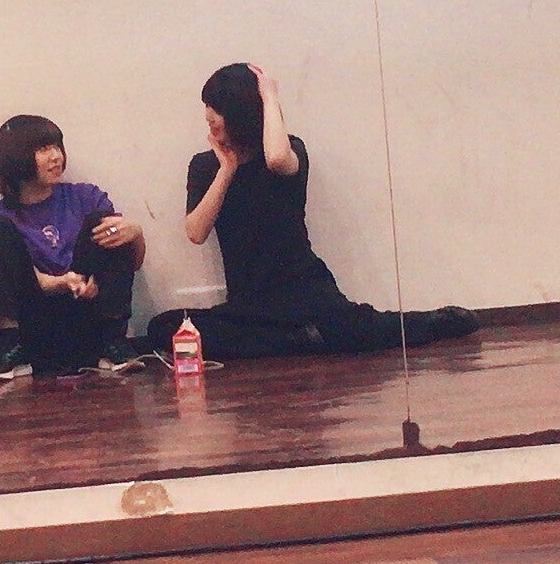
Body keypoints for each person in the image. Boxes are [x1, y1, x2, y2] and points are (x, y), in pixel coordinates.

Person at [147, 63, 478, 359]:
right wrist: (226, 170)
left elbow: (276, 159)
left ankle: (438, 321)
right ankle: (303, 339)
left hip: (306, 291)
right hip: (250, 306)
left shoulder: (290, 151)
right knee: (163, 328)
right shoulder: (205, 166)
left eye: (216, 108)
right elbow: (196, 232)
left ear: (240, 112)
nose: (208, 116)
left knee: (367, 327)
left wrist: (269, 95)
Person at [0, 115, 146, 378]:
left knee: (106, 223)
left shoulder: (87, 197)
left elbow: (131, 264)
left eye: (57, 146)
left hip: (88, 319)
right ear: (16, 156)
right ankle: (11, 350)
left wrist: (136, 234)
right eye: (44, 149)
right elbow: (27, 281)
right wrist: (64, 282)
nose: (56, 157)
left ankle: (113, 344)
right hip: (33, 332)